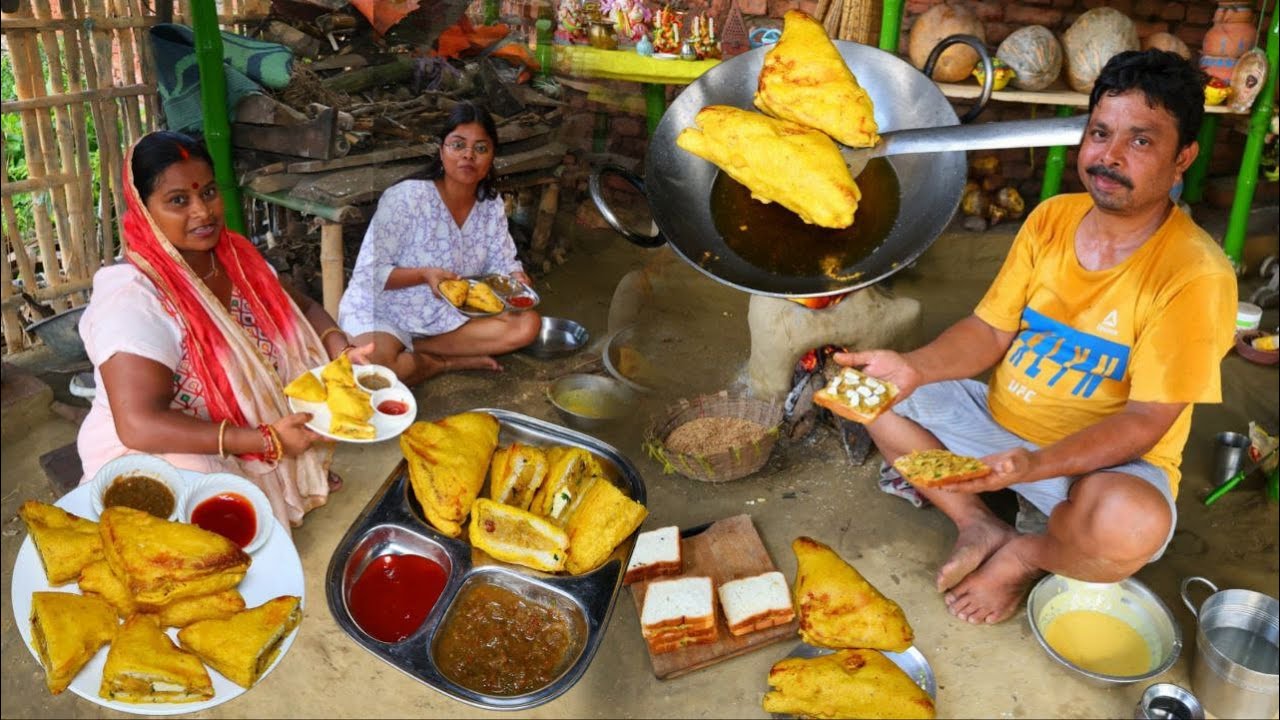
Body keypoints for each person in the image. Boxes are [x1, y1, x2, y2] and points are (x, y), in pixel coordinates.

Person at [839, 50, 1238, 624]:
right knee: (868, 392)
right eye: (1100, 132)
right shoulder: (1052, 217)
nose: (1110, 156)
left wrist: (1032, 465)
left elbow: (1145, 421)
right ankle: (979, 523)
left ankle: (1025, 555)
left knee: (1132, 523)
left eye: (1142, 141)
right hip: (997, 428)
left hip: (1098, 468)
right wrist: (913, 370)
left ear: (1184, 158)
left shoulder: (1194, 274)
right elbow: (988, 330)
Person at [78, 131, 370, 528]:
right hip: (156, 446)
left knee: (305, 377)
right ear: (144, 210)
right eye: (178, 200)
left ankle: (286, 474)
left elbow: (304, 308)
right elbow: (139, 425)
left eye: (209, 192)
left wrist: (340, 350)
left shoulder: (236, 257)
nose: (203, 211)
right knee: (209, 507)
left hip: (248, 433)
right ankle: (271, 471)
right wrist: (263, 442)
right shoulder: (133, 297)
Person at [338, 101, 540, 385]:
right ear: (441, 150)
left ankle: (411, 352)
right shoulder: (405, 198)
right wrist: (423, 275)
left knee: (527, 325)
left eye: (481, 148)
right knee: (373, 372)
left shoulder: (490, 205)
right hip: (386, 311)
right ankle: (441, 363)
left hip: (446, 317)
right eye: (458, 145)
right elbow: (368, 274)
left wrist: (516, 277)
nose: (469, 155)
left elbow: (502, 261)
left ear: (492, 156)